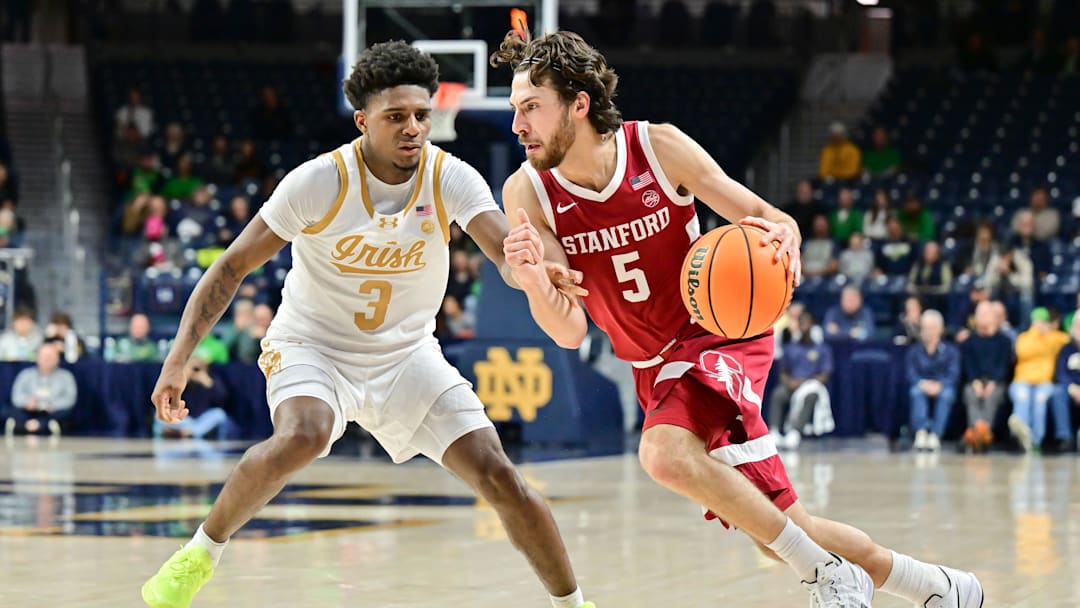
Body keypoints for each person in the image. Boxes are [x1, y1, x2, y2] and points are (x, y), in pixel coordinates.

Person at [493, 29, 982, 607]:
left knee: (663, 454)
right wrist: (531, 282)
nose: (518, 125)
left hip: (719, 333)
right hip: (654, 369)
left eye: (531, 108)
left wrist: (787, 234)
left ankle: (828, 575)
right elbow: (570, 330)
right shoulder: (528, 193)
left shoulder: (657, 148)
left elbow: (763, 216)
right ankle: (940, 589)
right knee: (780, 532)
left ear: (578, 103)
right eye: (515, 110)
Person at [141, 41, 594, 608]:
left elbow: (503, 253)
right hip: (313, 345)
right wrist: (178, 359)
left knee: (499, 474)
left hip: (406, 356)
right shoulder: (318, 182)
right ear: (363, 121)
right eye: (396, 117)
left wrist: (529, 264)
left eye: (423, 116)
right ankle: (201, 553)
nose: (413, 129)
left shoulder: (449, 176)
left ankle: (573, 605)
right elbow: (230, 267)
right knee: (303, 435)